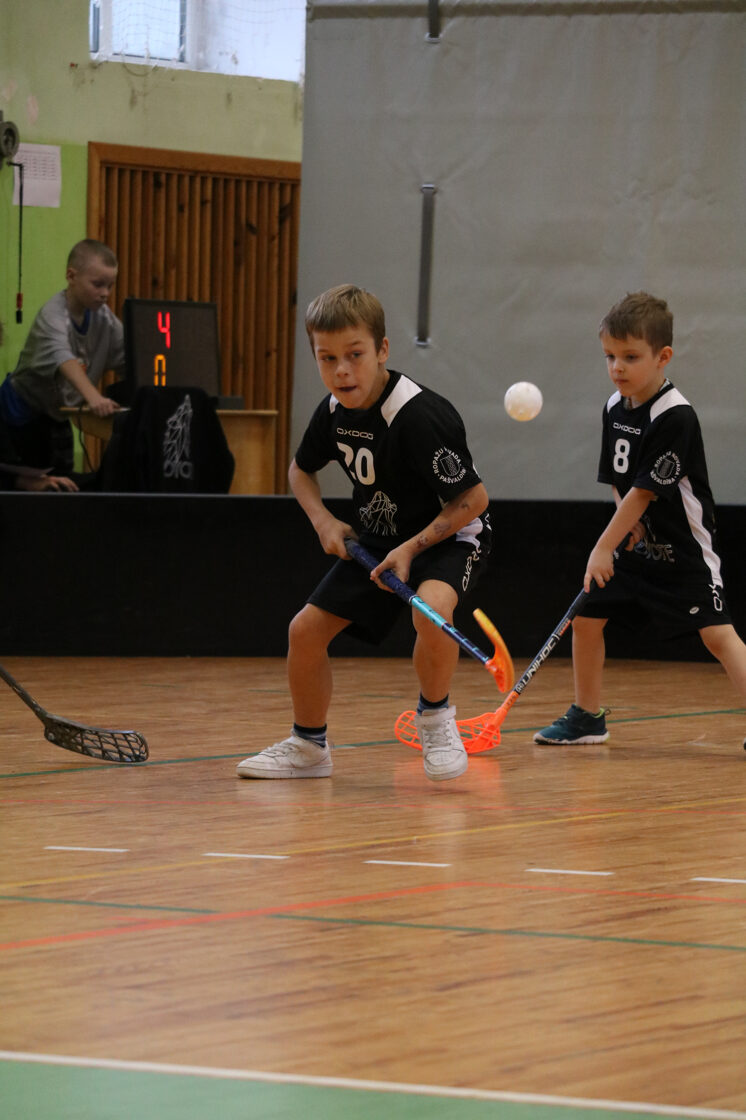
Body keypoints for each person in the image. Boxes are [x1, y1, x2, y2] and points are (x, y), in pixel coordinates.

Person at [237, 283, 491, 782]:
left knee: (431, 610)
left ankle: (436, 719)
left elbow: (473, 501)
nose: (342, 371)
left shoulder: (419, 416)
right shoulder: (333, 412)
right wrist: (324, 521)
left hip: (449, 535)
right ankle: (309, 746)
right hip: (379, 542)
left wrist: (411, 548)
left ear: (382, 350)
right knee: (304, 633)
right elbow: (299, 471)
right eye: (327, 358)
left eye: (355, 355)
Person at [534, 291, 746, 750]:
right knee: (587, 618)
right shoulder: (614, 407)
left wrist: (602, 546)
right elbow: (620, 480)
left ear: (662, 357)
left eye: (630, 357)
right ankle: (587, 716)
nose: (617, 367)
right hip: (635, 545)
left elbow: (646, 490)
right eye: (610, 356)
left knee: (717, 635)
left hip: (683, 550)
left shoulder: (676, 417)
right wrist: (622, 526)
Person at [0, 238, 124, 476]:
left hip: (57, 416)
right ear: (71, 276)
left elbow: (129, 359)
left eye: (110, 286)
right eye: (98, 284)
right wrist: (94, 398)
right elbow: (64, 359)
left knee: (64, 484)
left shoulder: (105, 319)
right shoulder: (52, 315)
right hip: (18, 416)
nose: (105, 294)